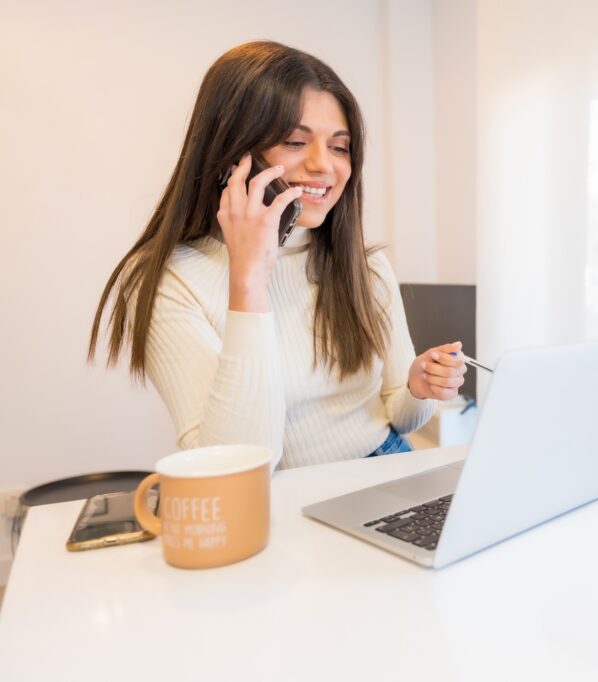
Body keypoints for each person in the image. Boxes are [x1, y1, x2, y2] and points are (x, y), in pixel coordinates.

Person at [88, 41, 465, 471]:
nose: (325, 165)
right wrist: (248, 277)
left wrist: (418, 388)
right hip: (275, 500)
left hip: (387, 465)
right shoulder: (168, 282)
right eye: (294, 141)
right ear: (231, 156)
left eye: (340, 147)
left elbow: (400, 416)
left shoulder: (366, 266)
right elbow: (238, 467)